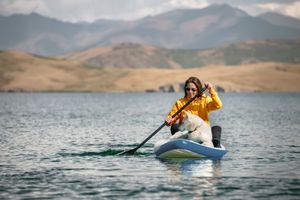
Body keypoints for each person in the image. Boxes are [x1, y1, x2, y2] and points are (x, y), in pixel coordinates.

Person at [165, 76, 223, 147]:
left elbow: (218, 105)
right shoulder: (180, 102)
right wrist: (169, 120)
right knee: (174, 127)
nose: (190, 92)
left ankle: (215, 146)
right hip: (186, 134)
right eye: (188, 89)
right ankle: (182, 144)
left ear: (198, 90)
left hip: (202, 134)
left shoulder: (205, 100)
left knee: (217, 128)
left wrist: (211, 90)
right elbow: (172, 117)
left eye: (193, 90)